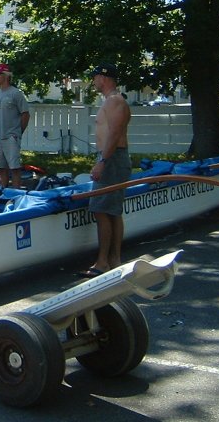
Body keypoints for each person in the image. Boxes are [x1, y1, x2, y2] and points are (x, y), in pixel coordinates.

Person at [80, 62, 132, 278]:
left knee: (102, 210)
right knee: (111, 211)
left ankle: (104, 262)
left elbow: (114, 134)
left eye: (95, 77)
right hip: (112, 157)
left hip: (112, 158)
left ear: (104, 77)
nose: (93, 81)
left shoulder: (115, 101)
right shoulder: (111, 102)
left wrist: (102, 160)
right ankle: (113, 259)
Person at [0, 63, 31, 189]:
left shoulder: (16, 93)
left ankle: (17, 194)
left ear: (6, 75)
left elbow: (25, 114)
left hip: (11, 137)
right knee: (1, 168)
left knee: (15, 168)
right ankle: (3, 193)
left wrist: (17, 133)